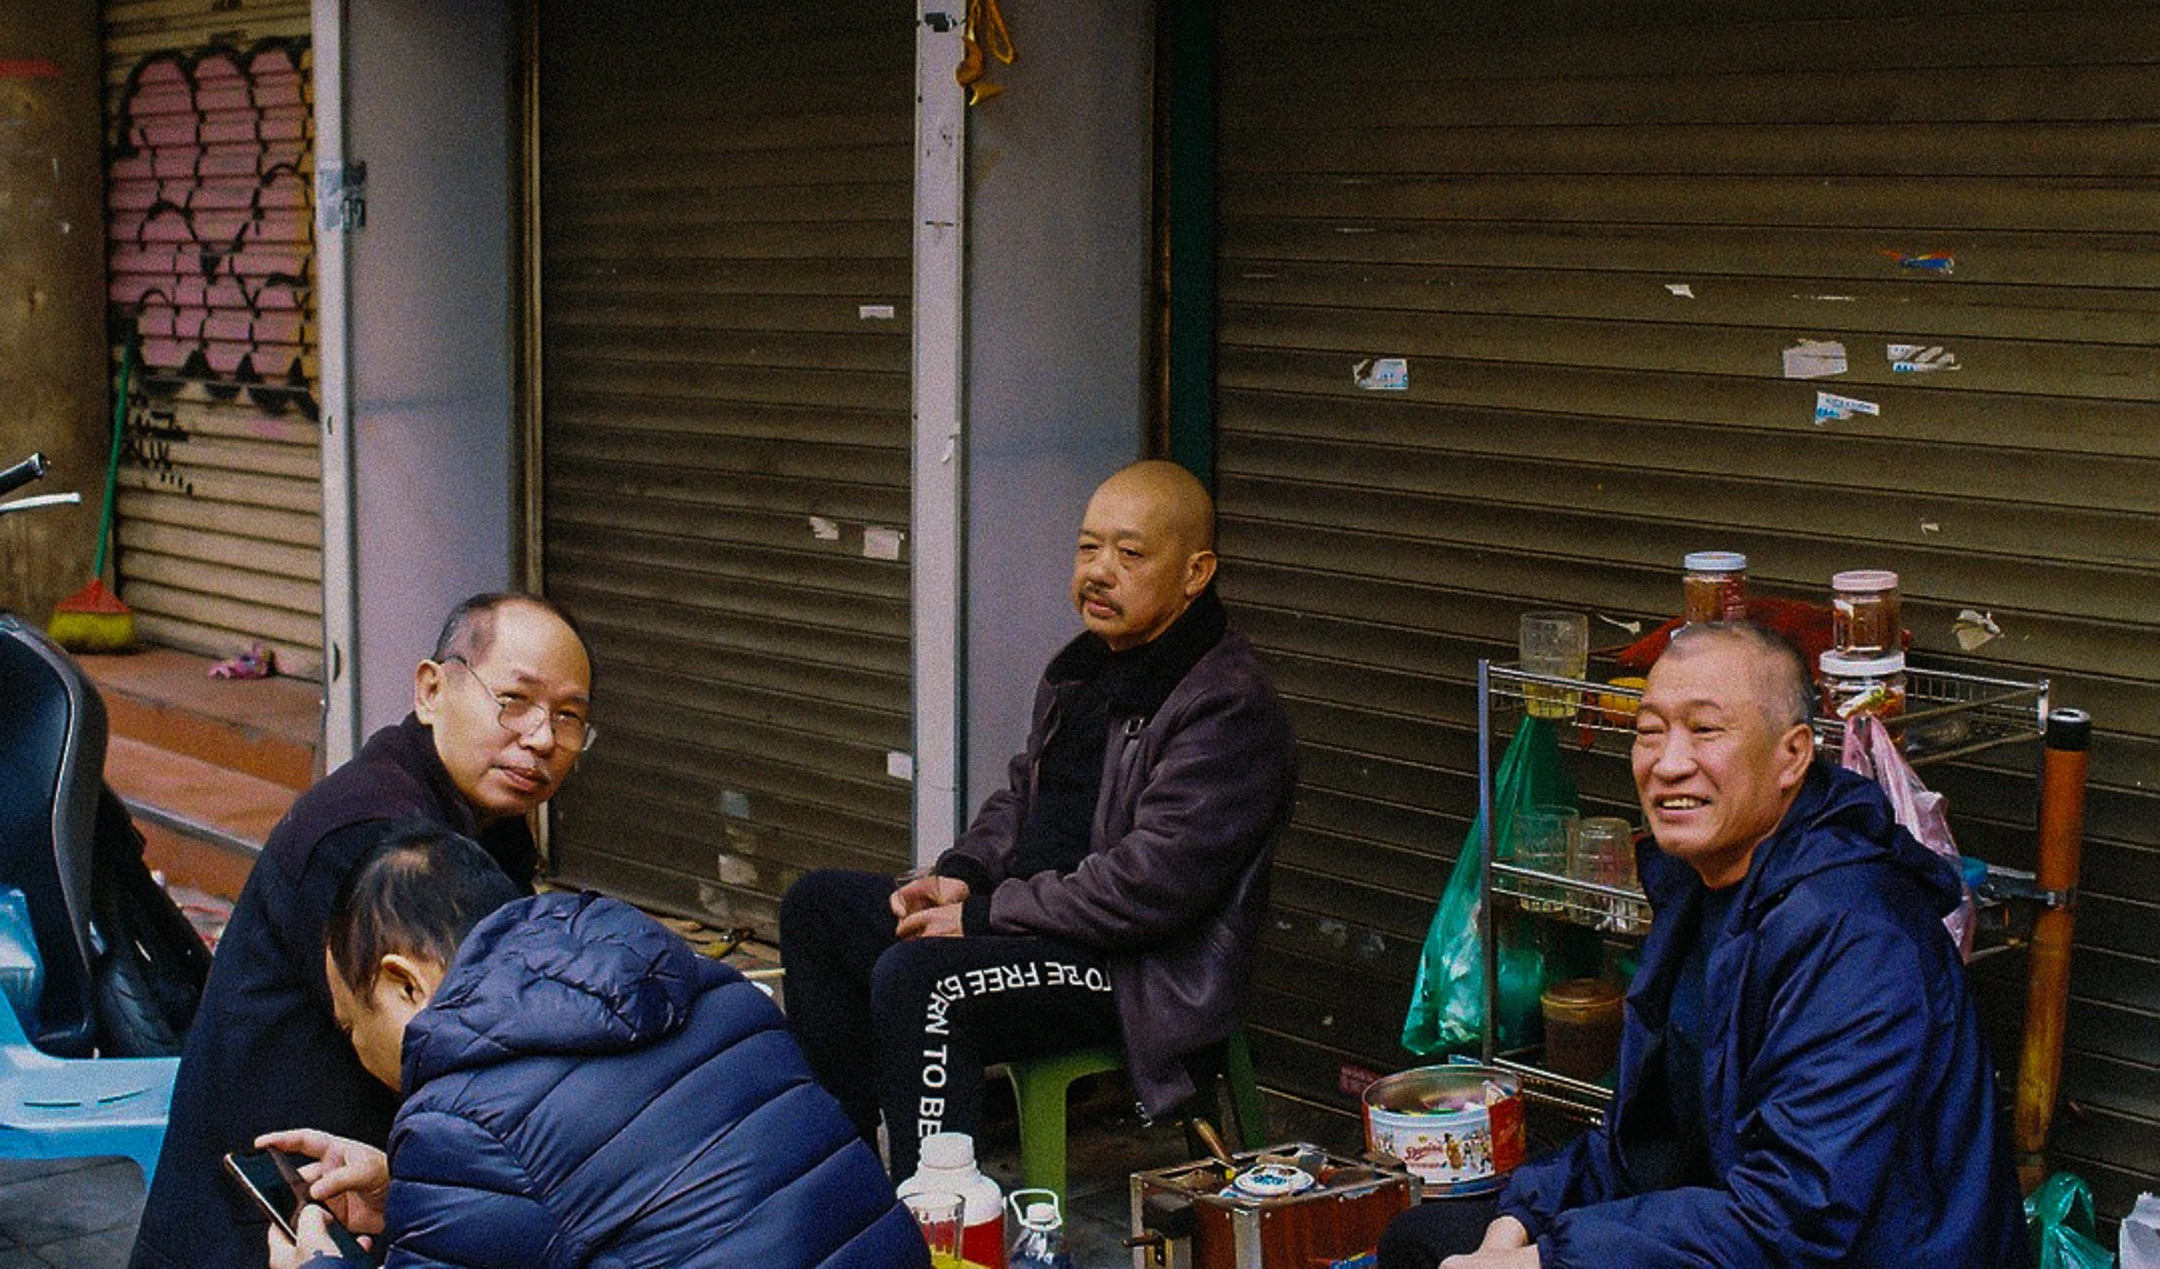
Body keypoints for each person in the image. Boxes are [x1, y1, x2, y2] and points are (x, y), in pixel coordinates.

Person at [1378, 621, 2029, 1269]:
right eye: (1650, 731)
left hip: (1852, 1250)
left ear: (1793, 754)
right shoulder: (1703, 888)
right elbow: (1646, 1144)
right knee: (1426, 1239)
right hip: (1757, 1227)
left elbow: (1793, 1217)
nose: (1667, 763)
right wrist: (1522, 1220)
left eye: (1705, 730)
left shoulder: (1856, 931)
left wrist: (1549, 1262)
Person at [780, 459, 1298, 1178]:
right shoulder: (1083, 667)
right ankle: (847, 1179)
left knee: (922, 977)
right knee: (820, 910)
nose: (1099, 571)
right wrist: (960, 878)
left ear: (1196, 572)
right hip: (1037, 924)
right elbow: (1024, 798)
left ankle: (940, 1227)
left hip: (1138, 971)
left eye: (1131, 552)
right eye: (1088, 548)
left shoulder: (1227, 706)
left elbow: (1147, 889)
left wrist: (987, 916)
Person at [130, 593, 595, 1269]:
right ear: (432, 689)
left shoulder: (476, 822)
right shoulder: (373, 844)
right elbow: (480, 1061)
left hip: (352, 1204)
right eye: (515, 701)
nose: (543, 737)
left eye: (570, 717)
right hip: (265, 1230)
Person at [260, 824, 928, 1269]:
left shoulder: (458, 1114)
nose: (354, 1048)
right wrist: (408, 1194)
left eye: (352, 1024)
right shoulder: (711, 989)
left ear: (404, 983)